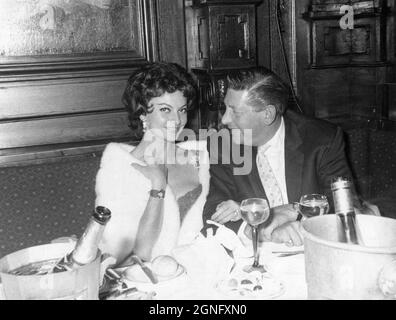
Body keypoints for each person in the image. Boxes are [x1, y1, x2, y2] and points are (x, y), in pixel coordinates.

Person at [202, 67, 377, 246]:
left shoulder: (322, 140)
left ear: (268, 114)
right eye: (225, 108)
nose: (224, 119)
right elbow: (212, 213)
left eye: (235, 112)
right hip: (254, 257)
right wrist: (257, 230)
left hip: (311, 249)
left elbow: (345, 207)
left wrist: (297, 215)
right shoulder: (223, 145)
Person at [95, 62, 210, 263]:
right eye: (165, 109)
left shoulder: (201, 158)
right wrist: (158, 187)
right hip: (151, 279)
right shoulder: (121, 168)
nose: (177, 119)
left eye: (182, 109)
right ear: (142, 113)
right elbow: (129, 254)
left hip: (204, 267)